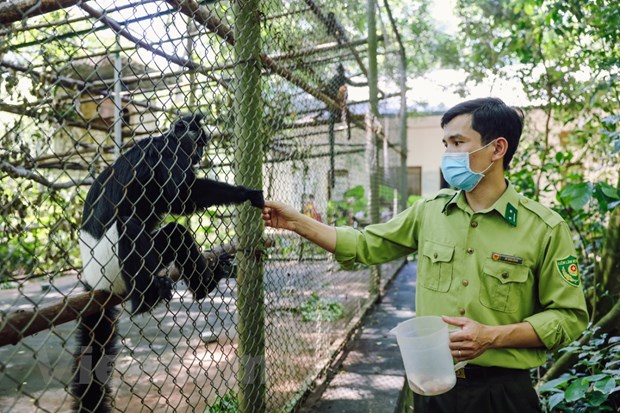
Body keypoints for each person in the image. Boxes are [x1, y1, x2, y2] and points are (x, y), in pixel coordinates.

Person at [261, 97, 589, 413]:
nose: (448, 154)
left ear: (497, 149)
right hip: (433, 387)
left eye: (458, 142)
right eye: (445, 144)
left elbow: (568, 316)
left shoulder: (544, 228)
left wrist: (492, 337)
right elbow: (363, 245)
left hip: (502, 393)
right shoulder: (429, 212)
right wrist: (296, 222)